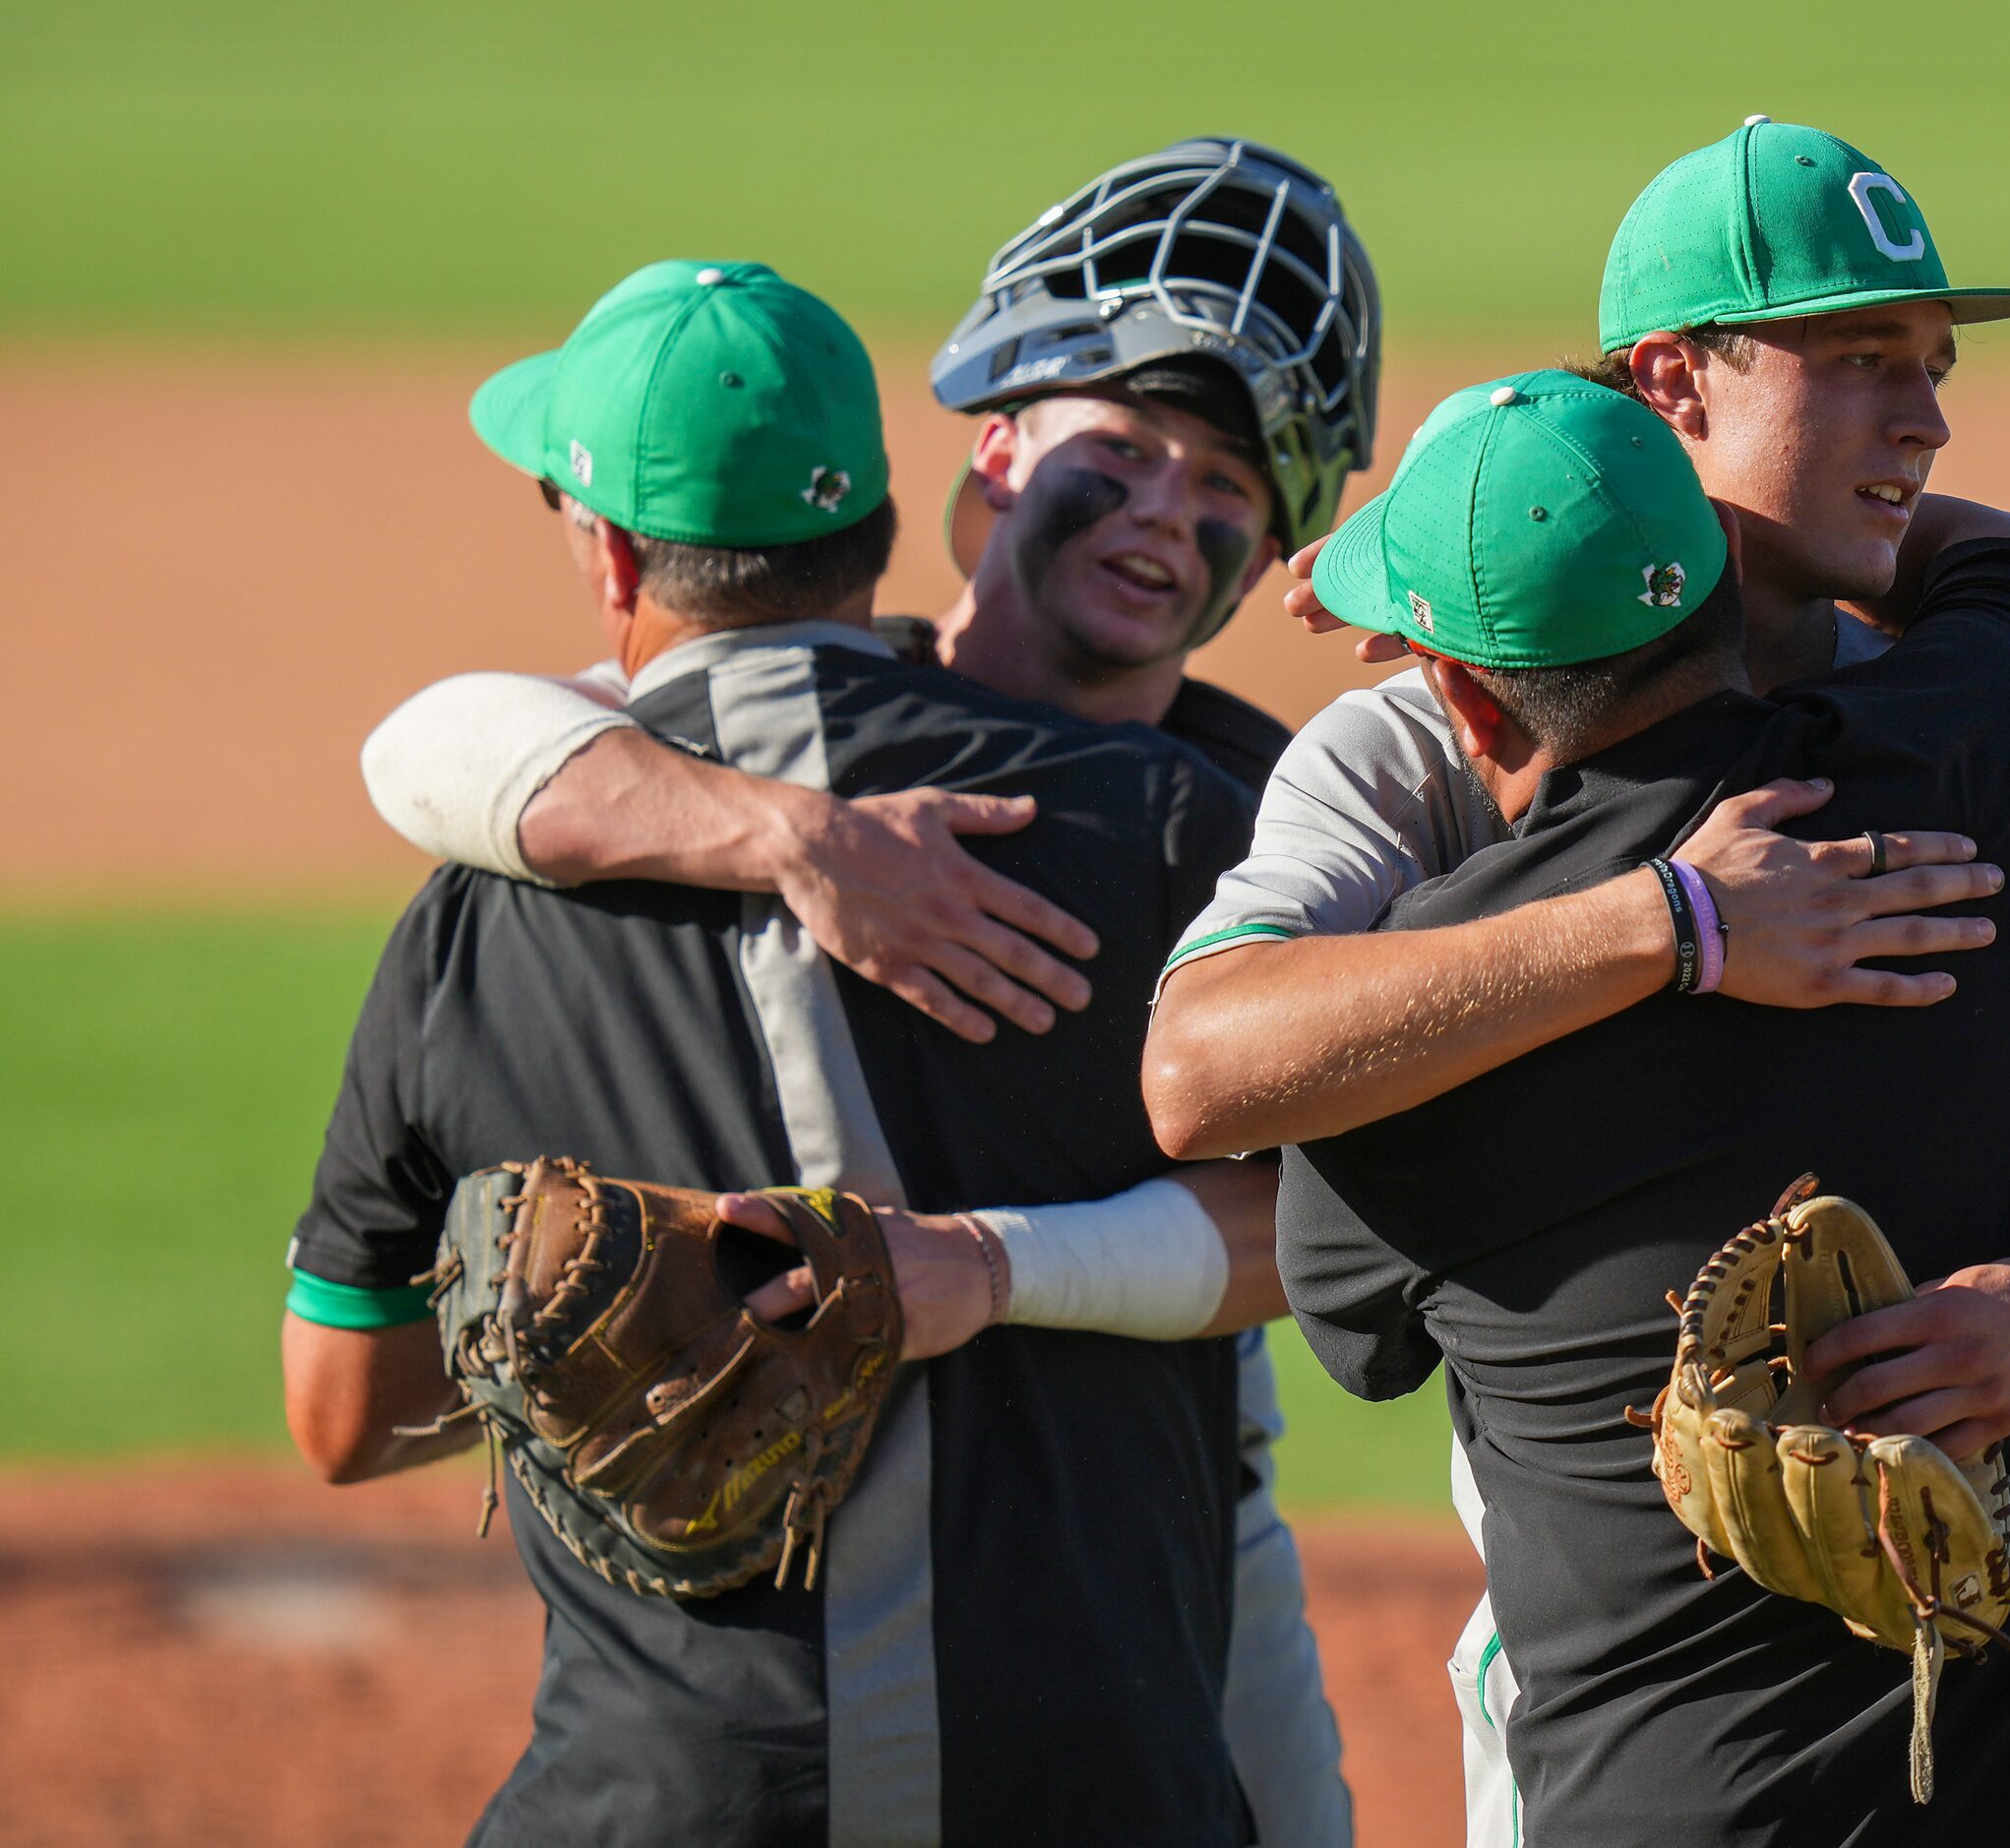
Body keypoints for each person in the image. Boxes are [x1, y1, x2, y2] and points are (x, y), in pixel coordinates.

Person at [1136, 121, 2010, 1847]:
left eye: (1931, 366)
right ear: (1672, 380)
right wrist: (1673, 921)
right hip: (1647, 1706)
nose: (1926, 417)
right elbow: (1199, 1069)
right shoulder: (1408, 756)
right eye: (1857, 362)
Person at [344, 141, 1383, 1845]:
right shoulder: (795, 739)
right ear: (994, 455)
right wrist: (790, 834)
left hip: (1176, 1480)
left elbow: (1333, 1229)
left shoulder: (1247, 817)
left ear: (1270, 549)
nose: (1164, 509)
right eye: (1120, 446)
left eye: (1226, 488)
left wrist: (985, 1267)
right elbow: (431, 746)